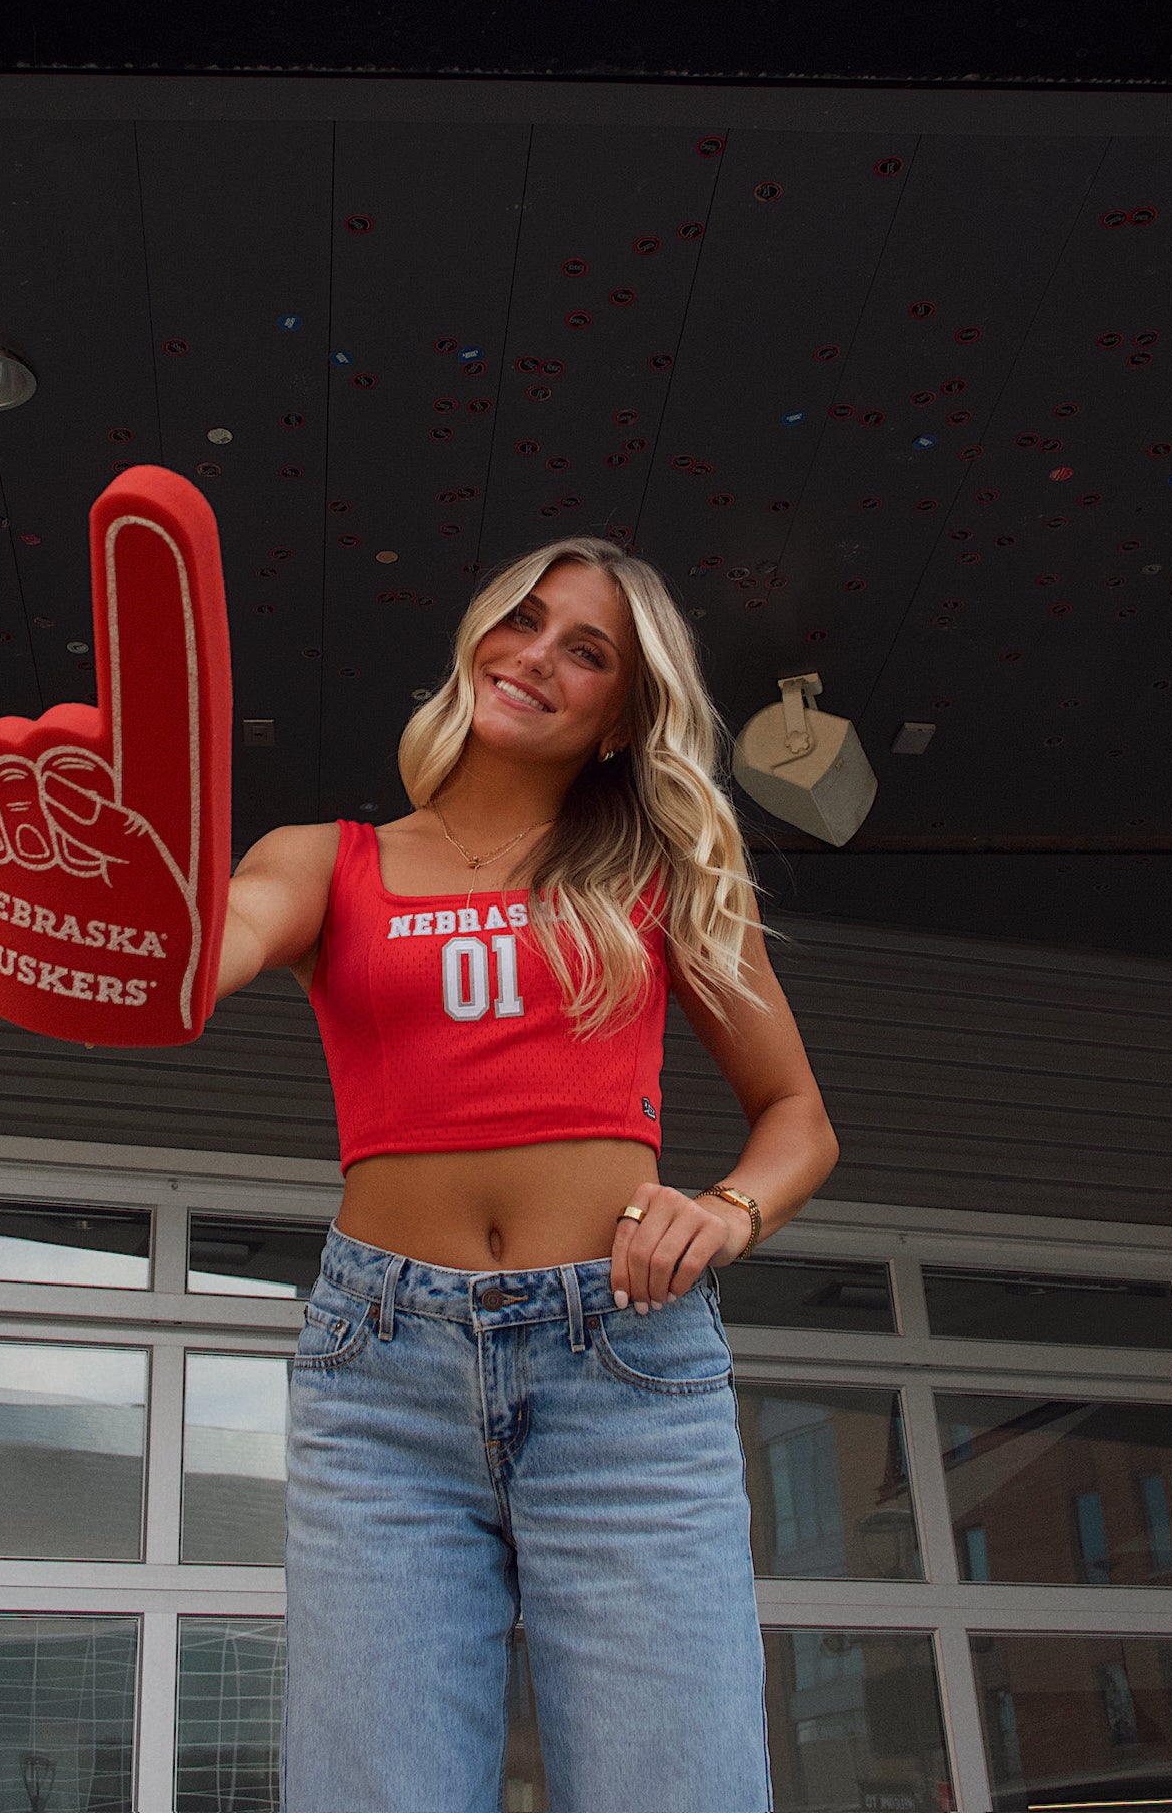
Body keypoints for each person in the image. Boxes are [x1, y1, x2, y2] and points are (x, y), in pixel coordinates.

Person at [216, 535, 839, 1813]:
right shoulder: (320, 858)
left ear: (623, 718)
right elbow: (185, 968)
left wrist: (725, 1211)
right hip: (380, 1380)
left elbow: (798, 1119)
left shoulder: (653, 877)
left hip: (624, 1369)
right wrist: (120, 884)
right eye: (523, 620)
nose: (535, 658)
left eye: (586, 651)